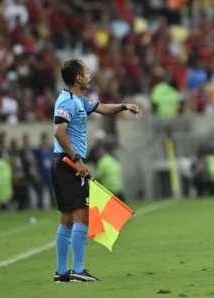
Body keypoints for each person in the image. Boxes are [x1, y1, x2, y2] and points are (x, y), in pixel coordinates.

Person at [52, 59, 140, 283]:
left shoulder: (79, 99)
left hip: (63, 163)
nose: (90, 75)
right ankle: (78, 271)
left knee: (67, 218)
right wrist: (78, 160)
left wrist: (123, 106)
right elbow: (59, 133)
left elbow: (101, 108)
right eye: (87, 71)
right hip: (68, 163)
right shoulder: (67, 101)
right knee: (82, 214)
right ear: (79, 78)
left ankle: (62, 272)